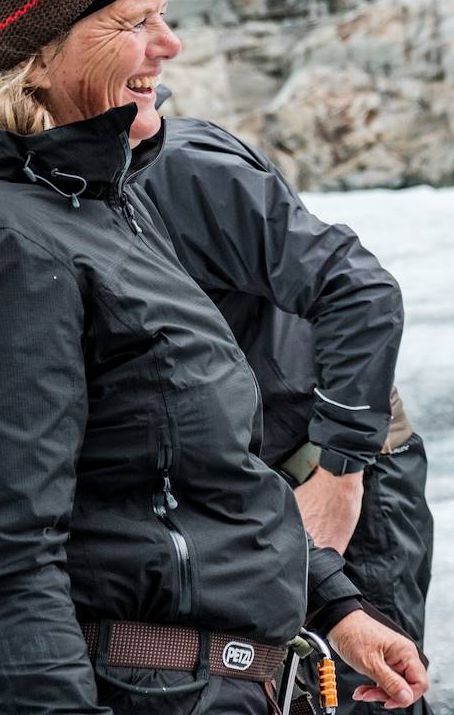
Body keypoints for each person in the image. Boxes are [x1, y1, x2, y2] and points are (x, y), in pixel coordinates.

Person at [0, 0, 428, 715]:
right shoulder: (9, 243)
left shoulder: (110, 205)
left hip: (237, 674)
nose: (168, 45)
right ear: (41, 54)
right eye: (134, 22)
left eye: (163, 15)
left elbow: (196, 471)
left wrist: (335, 603)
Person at [137, 92, 434, 715]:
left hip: (329, 457)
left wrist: (339, 474)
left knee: (363, 690)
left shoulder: (183, 170)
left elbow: (361, 293)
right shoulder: (51, 196)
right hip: (231, 481)